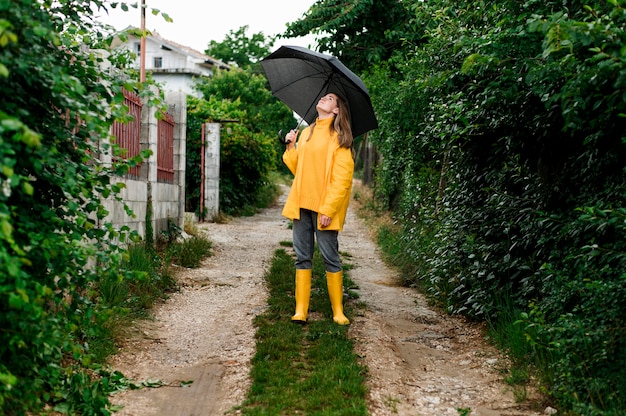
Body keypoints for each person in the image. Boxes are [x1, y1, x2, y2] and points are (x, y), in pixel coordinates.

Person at [282, 92, 354, 325]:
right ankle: (301, 310)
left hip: (324, 208)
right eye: (323, 96)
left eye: (330, 98)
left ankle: (338, 311)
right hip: (301, 203)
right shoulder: (306, 133)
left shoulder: (340, 138)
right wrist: (291, 147)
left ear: (336, 110)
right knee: (302, 257)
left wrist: (328, 209)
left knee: (329, 257)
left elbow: (342, 180)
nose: (324, 98)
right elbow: (298, 170)